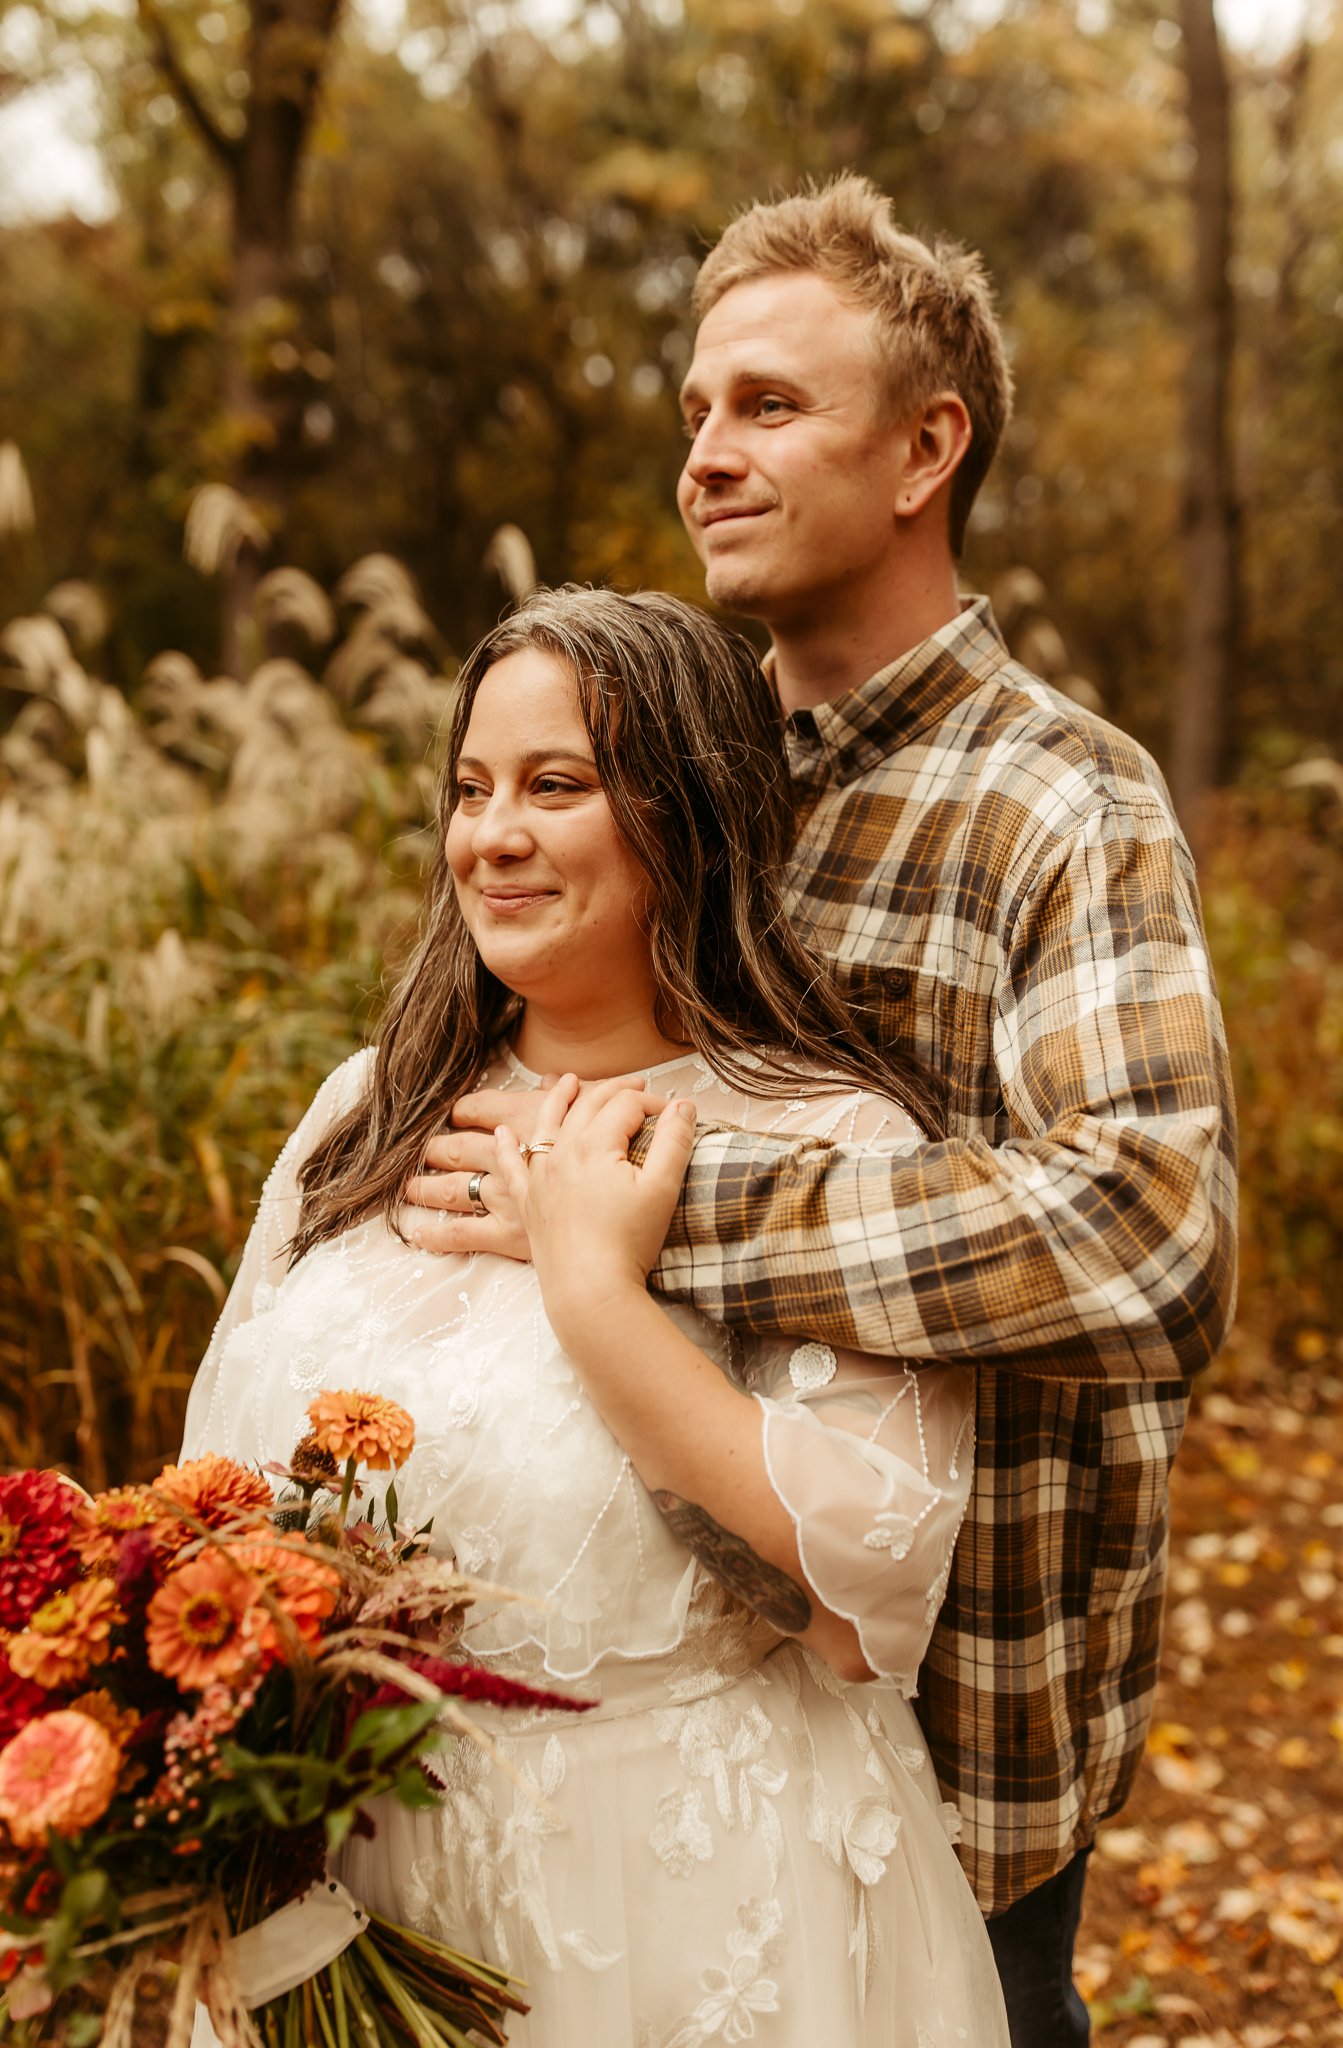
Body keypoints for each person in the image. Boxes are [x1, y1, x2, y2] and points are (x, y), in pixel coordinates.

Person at [405, 176, 1239, 2046]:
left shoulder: (1059, 807)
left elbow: (1148, 1231)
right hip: (609, 1735)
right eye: (695, 409)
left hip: (949, 1749)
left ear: (926, 445)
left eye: (768, 406)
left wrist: (653, 1218)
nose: (704, 453)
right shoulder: (668, 772)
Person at [182, 587, 1011, 2045]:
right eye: (470, 788)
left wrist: (592, 1292)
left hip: (668, 1911)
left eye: (555, 786)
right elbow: (211, 1498)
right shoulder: (368, 1111)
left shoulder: (834, 1140)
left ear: (686, 808)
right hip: (337, 1893)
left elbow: (864, 1590)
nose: (491, 835)